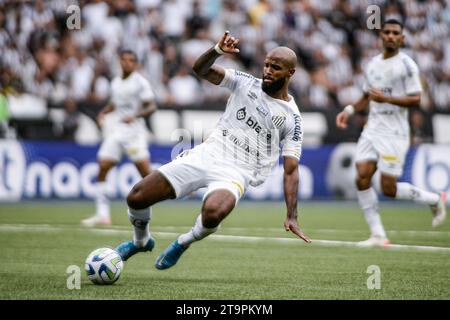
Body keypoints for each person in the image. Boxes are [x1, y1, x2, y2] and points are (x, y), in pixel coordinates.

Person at [114, 31, 311, 270]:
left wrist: (292, 215)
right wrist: (216, 50)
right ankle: (140, 241)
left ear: (291, 73)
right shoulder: (245, 82)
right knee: (137, 196)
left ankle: (183, 241)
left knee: (213, 212)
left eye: (276, 67)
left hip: (239, 171)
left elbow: (291, 170)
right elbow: (201, 70)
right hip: (208, 153)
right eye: (267, 65)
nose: (268, 71)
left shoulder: (292, 118)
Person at [335, 19, 447, 247]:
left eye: (396, 33)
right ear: (381, 36)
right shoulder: (373, 64)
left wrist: (387, 99)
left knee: (389, 189)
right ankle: (377, 234)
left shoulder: (407, 65)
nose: (391, 36)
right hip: (372, 127)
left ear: (402, 38)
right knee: (362, 176)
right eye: (387, 32)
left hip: (394, 133)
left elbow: (416, 98)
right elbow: (368, 95)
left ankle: (434, 199)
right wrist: (349, 110)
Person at [81, 50, 157, 227]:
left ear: (136, 64)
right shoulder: (115, 82)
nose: (127, 63)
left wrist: (136, 115)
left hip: (134, 134)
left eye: (131, 60)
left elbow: (152, 106)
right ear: (119, 62)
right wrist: (103, 112)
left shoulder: (140, 82)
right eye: (124, 60)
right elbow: (114, 104)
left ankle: (179, 191)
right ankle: (102, 214)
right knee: (102, 167)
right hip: (117, 131)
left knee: (147, 176)